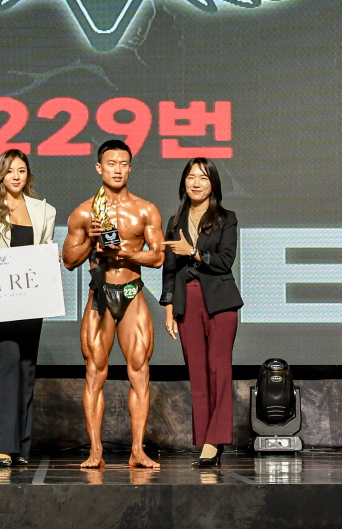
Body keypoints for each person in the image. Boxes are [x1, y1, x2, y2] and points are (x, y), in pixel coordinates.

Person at [62, 139, 165, 469]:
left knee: (140, 372)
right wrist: (92, 240)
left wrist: (125, 253)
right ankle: (96, 451)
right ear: (99, 168)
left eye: (123, 164)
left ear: (130, 168)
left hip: (132, 293)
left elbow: (158, 257)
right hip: (101, 295)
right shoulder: (84, 212)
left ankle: (137, 450)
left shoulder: (146, 210)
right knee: (94, 372)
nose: (117, 170)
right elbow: (69, 260)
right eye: (111, 164)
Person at [0, 149, 57, 468]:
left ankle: (21, 447)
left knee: (27, 368)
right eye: (10, 171)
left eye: (21, 170)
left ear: (27, 174)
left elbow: (43, 251)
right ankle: (4, 445)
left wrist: (51, 257)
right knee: (8, 361)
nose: (16, 176)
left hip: (31, 299)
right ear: (0, 175)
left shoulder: (44, 210)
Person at [160, 156, 241, 468]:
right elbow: (170, 269)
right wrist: (169, 308)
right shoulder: (175, 221)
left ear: (213, 185)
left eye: (203, 178)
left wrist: (193, 252)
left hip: (220, 301)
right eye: (191, 177)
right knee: (197, 373)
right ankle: (206, 437)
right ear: (184, 182)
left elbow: (225, 261)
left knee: (218, 370)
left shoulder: (226, 218)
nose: (196, 183)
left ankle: (214, 441)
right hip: (187, 301)